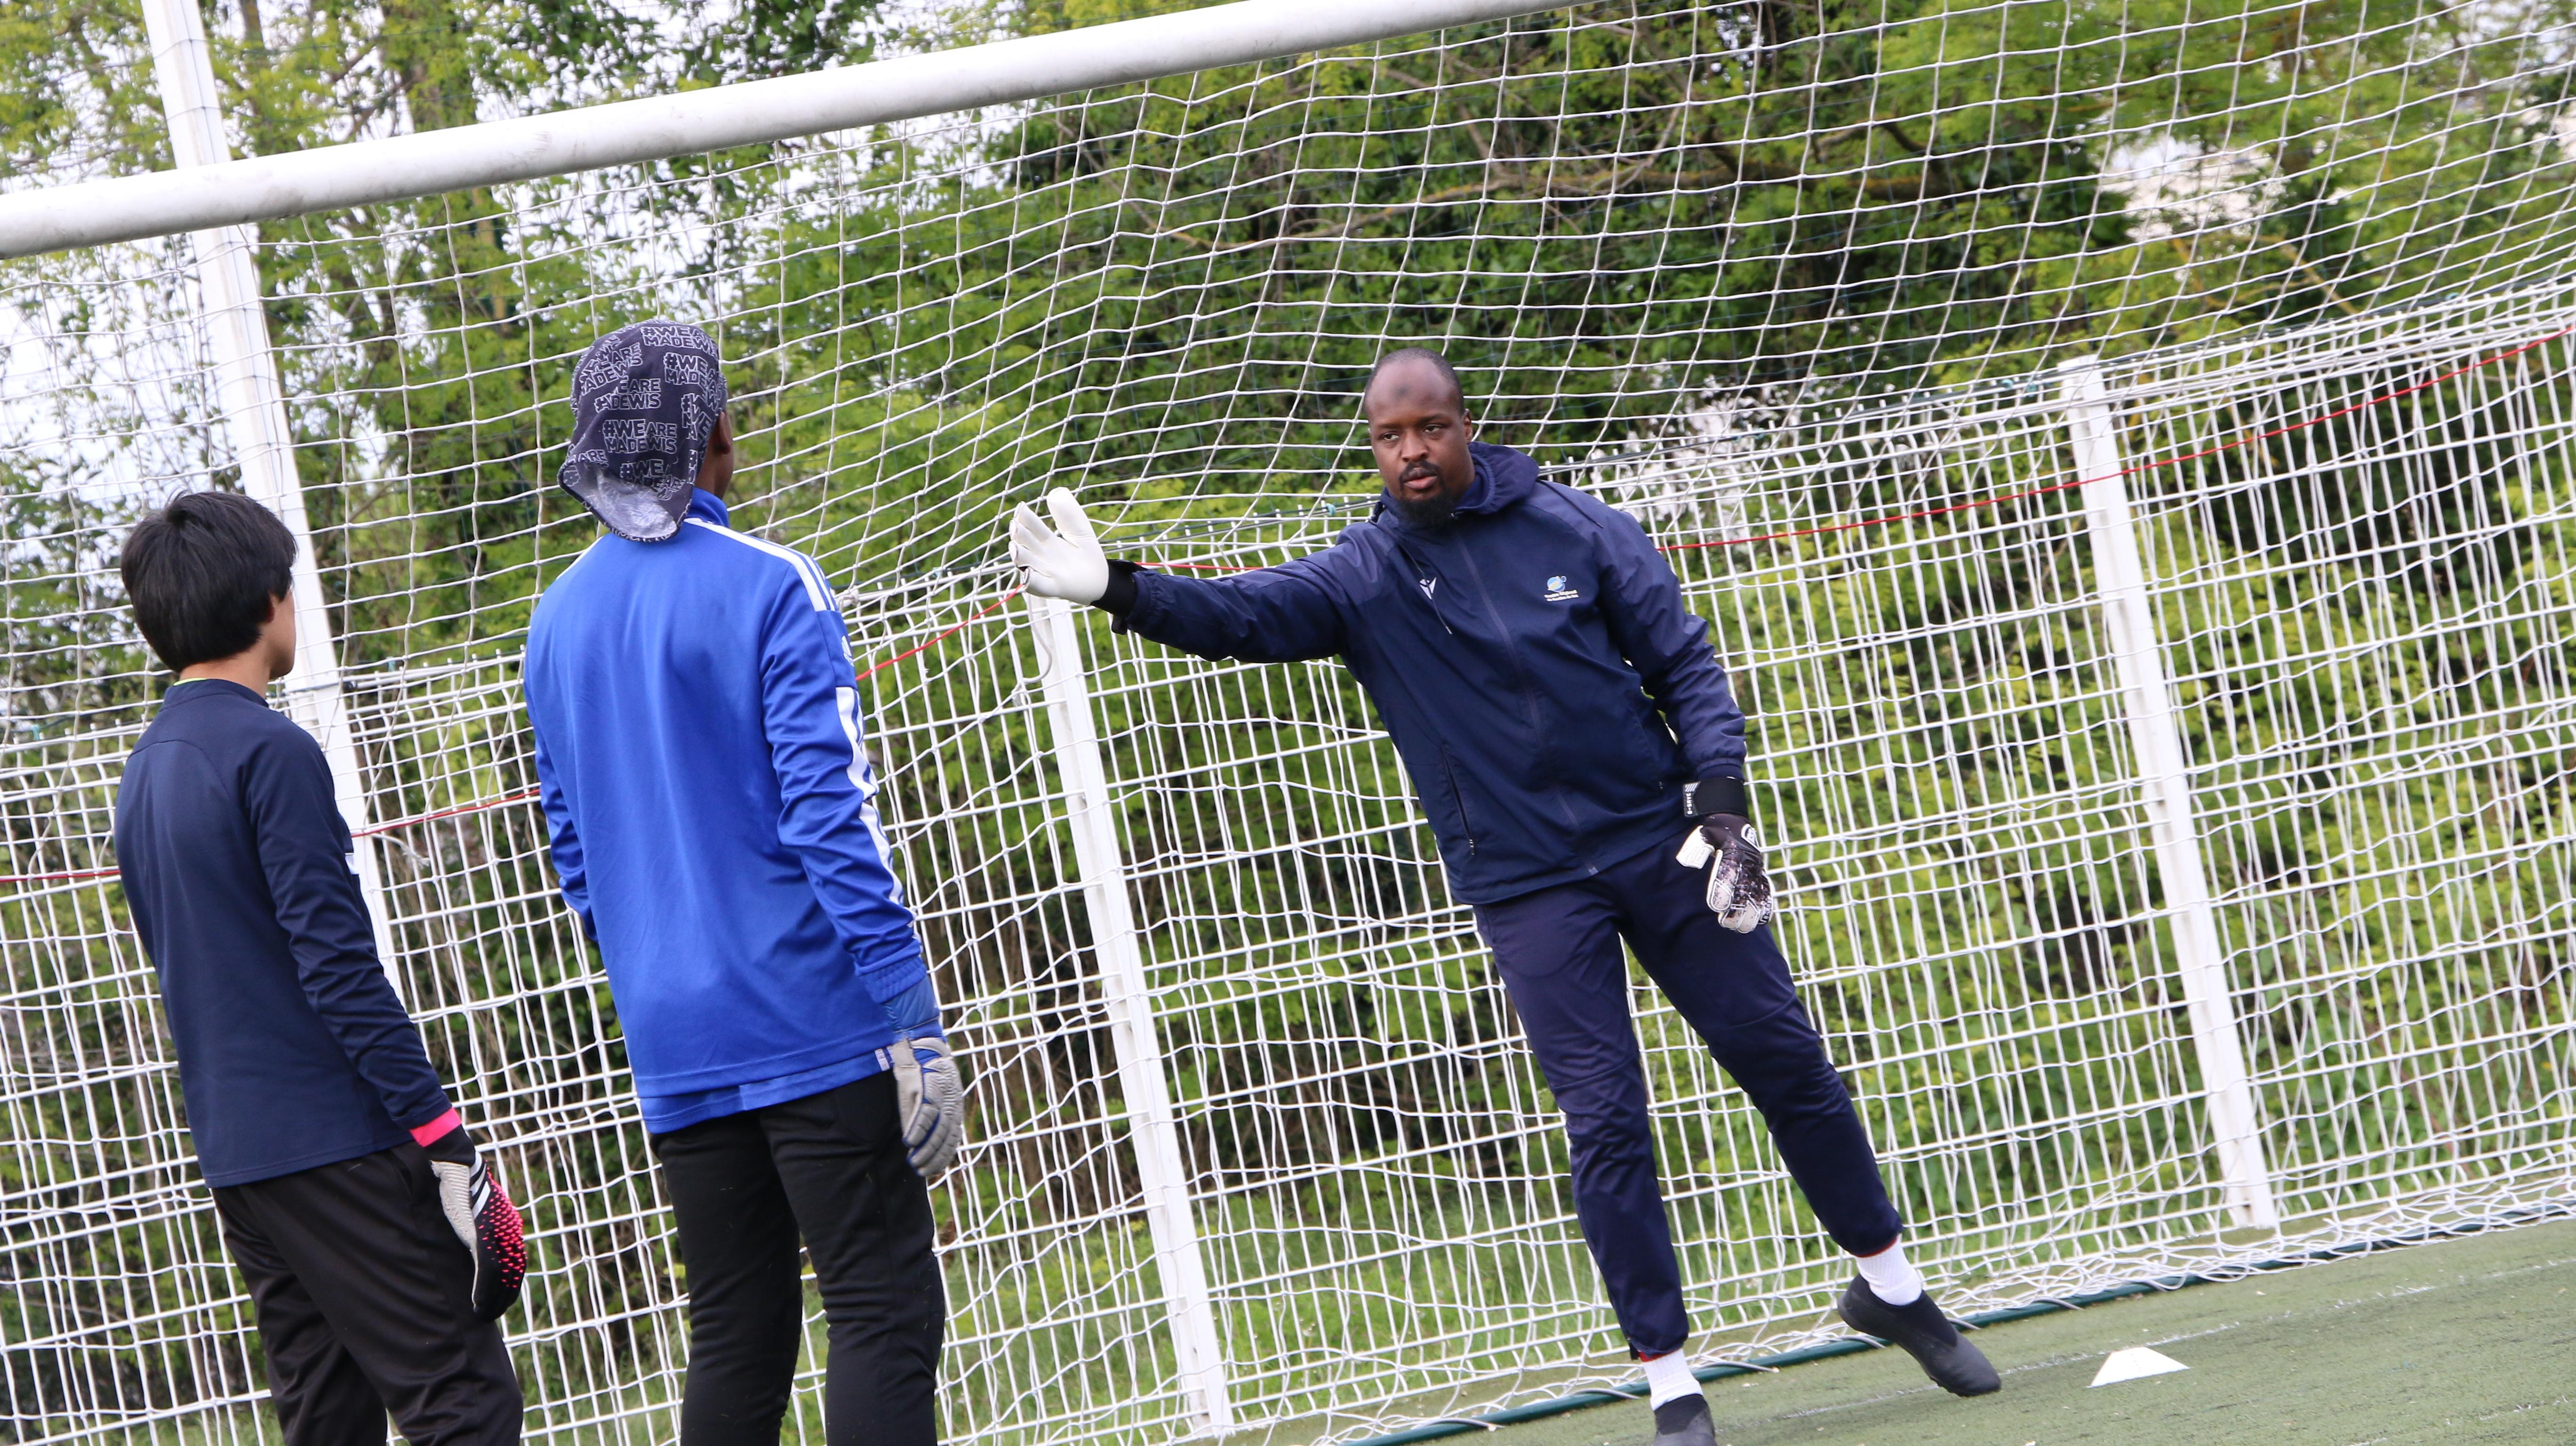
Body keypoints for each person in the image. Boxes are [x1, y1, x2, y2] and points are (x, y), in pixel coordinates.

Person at [1010, 347, 2000, 1446]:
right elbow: (1245, 616)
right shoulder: (1364, 577)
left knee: (1785, 1058)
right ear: (1374, 449)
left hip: (1662, 843)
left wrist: (1721, 806)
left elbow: (1684, 664)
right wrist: (1120, 589)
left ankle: (1892, 1287)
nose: (1412, 452)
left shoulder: (1579, 529)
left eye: (1429, 429)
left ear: (1465, 428)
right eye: (1390, 437)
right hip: (1527, 884)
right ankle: (1671, 1380)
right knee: (1606, 1117)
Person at [521, 320, 963, 1446]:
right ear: (715, 430)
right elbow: (830, 817)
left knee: (737, 1334)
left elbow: (571, 849)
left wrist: (660, 965)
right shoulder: (774, 584)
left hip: (673, 1037)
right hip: (811, 1019)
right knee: (881, 1308)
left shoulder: (553, 622)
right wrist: (909, 1012)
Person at [113, 490, 525, 1446]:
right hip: (337, 1139)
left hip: (240, 1155)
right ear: (269, 601)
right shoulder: (272, 751)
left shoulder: (145, 773)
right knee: (463, 1400)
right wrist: (442, 1133)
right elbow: (338, 968)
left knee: (327, 1418)